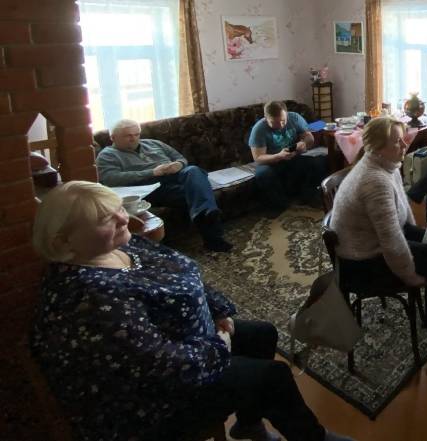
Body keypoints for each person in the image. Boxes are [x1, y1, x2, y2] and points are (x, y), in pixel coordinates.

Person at [29, 181, 354, 441]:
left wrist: (217, 310)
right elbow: (164, 365)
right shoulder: (89, 297)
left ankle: (249, 422)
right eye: (105, 219)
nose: (123, 219)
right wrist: (218, 344)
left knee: (263, 334)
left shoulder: (120, 244)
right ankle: (314, 438)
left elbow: (180, 269)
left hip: (192, 342)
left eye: (118, 209)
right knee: (273, 376)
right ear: (63, 242)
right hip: (156, 400)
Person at [330, 117, 427, 330]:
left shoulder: (385, 164)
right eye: (397, 141)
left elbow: (402, 209)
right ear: (378, 147)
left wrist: (419, 234)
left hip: (377, 239)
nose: (405, 144)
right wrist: (410, 276)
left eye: (403, 139)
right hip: (363, 259)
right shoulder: (374, 180)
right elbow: (391, 242)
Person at [96, 119, 232, 252]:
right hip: (150, 187)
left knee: (193, 170)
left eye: (136, 134)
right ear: (113, 137)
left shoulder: (153, 143)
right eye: (128, 136)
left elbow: (180, 158)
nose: (134, 139)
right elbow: (110, 179)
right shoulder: (107, 155)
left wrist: (179, 164)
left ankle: (205, 213)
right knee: (199, 193)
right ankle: (212, 234)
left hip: (174, 176)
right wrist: (152, 172)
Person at [249, 101, 328, 217]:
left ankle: (309, 196)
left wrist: (303, 143)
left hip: (293, 157)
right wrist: (278, 156)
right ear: (266, 118)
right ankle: (279, 205)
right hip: (271, 162)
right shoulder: (259, 129)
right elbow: (258, 158)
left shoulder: (294, 118)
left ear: (286, 114)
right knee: (263, 174)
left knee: (320, 161)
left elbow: (309, 138)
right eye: (274, 123)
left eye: (283, 121)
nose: (280, 125)